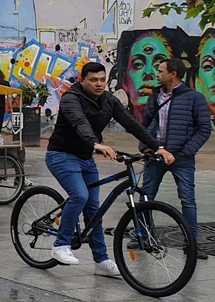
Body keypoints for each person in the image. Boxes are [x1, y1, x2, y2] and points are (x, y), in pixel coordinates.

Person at [46, 61, 171, 276]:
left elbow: (132, 124)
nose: (99, 84)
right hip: (61, 155)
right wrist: (96, 143)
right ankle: (60, 245)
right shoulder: (71, 99)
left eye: (102, 80)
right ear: (81, 80)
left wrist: (158, 147)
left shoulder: (109, 100)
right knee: (80, 195)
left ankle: (101, 261)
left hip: (85, 158)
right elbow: (79, 122)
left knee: (94, 210)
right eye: (93, 80)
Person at [139, 58, 210, 260]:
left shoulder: (194, 98)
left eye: (161, 71)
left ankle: (192, 244)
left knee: (188, 200)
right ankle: (144, 236)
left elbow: (204, 129)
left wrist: (186, 152)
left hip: (181, 158)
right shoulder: (155, 96)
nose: (157, 74)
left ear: (173, 74)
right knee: (146, 196)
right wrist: (145, 146)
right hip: (155, 155)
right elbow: (145, 124)